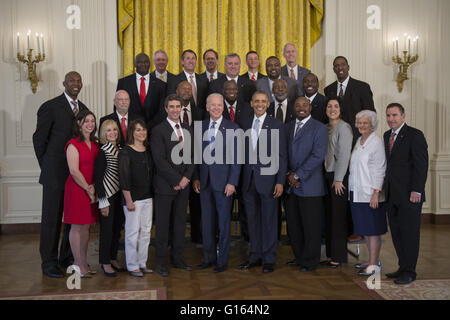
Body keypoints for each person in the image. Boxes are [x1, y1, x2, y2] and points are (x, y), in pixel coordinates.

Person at [32, 71, 86, 278]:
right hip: (54, 174)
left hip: (76, 176)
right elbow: (39, 140)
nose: (75, 83)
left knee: (72, 219)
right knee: (51, 220)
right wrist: (46, 166)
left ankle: (67, 257)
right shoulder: (50, 107)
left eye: (78, 80)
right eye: (71, 80)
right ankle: (49, 262)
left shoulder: (84, 110)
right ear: (64, 83)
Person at [238, 91, 287, 273]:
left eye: (263, 102)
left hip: (269, 181)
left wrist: (280, 181)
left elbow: (282, 156)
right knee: (252, 221)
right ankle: (255, 255)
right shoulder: (243, 123)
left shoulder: (276, 125)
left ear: (268, 104)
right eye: (256, 101)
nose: (259, 104)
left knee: (268, 221)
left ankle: (269, 258)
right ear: (251, 103)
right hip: (248, 181)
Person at [193, 93, 241, 273]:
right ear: (206, 107)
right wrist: (196, 177)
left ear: (223, 107)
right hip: (204, 183)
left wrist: (232, 182)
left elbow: (237, 159)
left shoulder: (233, 128)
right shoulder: (200, 127)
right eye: (212, 105)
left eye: (219, 105)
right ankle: (208, 258)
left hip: (224, 185)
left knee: (223, 223)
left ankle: (222, 260)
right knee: (207, 223)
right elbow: (197, 156)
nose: (216, 108)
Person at [150, 94, 195, 277]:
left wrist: (186, 179)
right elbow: (159, 161)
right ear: (166, 109)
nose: (175, 109)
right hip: (165, 187)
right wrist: (177, 180)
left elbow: (193, 156)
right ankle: (161, 262)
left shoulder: (188, 129)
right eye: (172, 107)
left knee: (179, 224)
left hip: (183, 186)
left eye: (178, 107)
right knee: (162, 225)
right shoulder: (158, 130)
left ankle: (177, 258)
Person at [384, 103, 428, 285]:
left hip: (410, 195)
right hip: (392, 195)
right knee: (397, 234)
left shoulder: (415, 135)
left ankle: (410, 271)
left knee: (409, 235)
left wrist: (417, 190)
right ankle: (402, 267)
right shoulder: (387, 136)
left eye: (394, 115)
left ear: (403, 116)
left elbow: (421, 165)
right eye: (388, 115)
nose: (391, 119)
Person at [285, 97, 328, 272]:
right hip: (290, 185)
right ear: (293, 108)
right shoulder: (287, 127)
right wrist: (288, 174)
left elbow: (318, 156)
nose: (301, 108)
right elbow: (282, 153)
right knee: (294, 225)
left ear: (310, 107)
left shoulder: (320, 128)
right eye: (298, 106)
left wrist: (298, 175)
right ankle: (299, 256)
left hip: (310, 185)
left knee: (311, 226)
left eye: (305, 105)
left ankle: (310, 260)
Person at [349, 110, 387, 276]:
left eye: (365, 123)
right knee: (364, 229)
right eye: (359, 123)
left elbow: (380, 169)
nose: (361, 125)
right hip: (357, 193)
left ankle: (374, 263)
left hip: (370, 194)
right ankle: (370, 260)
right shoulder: (359, 140)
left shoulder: (376, 142)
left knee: (373, 230)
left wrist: (376, 192)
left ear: (372, 125)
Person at [63, 109, 99, 278]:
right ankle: (78, 264)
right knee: (77, 226)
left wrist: (93, 188)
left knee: (86, 227)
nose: (90, 124)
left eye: (92, 121)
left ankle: (83, 262)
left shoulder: (95, 143)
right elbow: (74, 171)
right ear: (79, 123)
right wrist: (88, 188)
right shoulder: (72, 144)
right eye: (86, 121)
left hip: (91, 188)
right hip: (78, 189)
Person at [118, 118, 154, 277]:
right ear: (132, 132)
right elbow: (124, 178)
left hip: (148, 197)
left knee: (146, 232)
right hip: (133, 199)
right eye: (138, 130)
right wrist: (128, 200)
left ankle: (142, 263)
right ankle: (132, 265)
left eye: (143, 129)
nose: (141, 132)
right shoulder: (126, 152)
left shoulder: (148, 150)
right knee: (132, 232)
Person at [323, 98, 353, 268]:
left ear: (341, 109)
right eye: (329, 106)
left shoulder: (344, 127)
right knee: (330, 216)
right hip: (328, 176)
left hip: (338, 178)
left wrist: (339, 179)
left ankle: (338, 256)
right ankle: (331, 254)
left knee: (338, 218)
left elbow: (344, 155)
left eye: (336, 106)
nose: (332, 109)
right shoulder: (327, 127)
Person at [94, 120, 125, 277]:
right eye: (108, 130)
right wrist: (103, 201)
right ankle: (105, 262)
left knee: (116, 229)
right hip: (108, 195)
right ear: (104, 134)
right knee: (106, 230)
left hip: (120, 195)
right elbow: (98, 178)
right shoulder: (103, 151)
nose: (112, 132)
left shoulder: (120, 149)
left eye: (114, 129)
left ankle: (113, 258)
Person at [176, 81, 204, 246]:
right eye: (183, 88)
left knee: (196, 204)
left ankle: (196, 237)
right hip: (176, 166)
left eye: (189, 89)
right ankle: (176, 240)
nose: (186, 91)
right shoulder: (170, 111)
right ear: (177, 91)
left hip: (196, 163)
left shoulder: (200, 112)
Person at [324, 56, 375, 144]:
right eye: (337, 66)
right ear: (334, 69)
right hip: (335, 139)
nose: (340, 67)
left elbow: (370, 114)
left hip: (357, 137)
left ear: (348, 67)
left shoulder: (362, 87)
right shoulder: (328, 90)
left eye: (343, 65)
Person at [116, 52, 166, 130]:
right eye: (139, 62)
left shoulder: (161, 85)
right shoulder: (123, 82)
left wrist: (149, 126)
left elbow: (162, 110)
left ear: (150, 64)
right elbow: (117, 106)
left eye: (145, 62)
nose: (143, 64)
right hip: (130, 129)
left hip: (154, 129)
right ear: (135, 64)